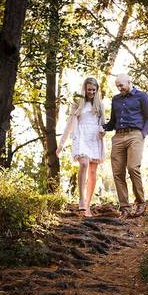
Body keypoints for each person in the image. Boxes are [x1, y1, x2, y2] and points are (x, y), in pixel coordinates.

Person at [103, 73, 148, 216]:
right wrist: (103, 127)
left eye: (121, 85)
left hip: (135, 135)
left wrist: (142, 134)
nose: (119, 88)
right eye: (117, 86)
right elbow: (113, 122)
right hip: (118, 136)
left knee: (133, 168)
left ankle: (141, 202)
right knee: (118, 173)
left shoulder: (142, 96)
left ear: (129, 82)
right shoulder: (116, 100)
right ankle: (125, 208)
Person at [56, 77, 106, 218]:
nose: (91, 92)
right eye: (89, 89)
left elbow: (103, 123)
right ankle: (81, 200)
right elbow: (69, 124)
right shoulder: (77, 103)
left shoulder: (100, 105)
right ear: (84, 89)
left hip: (95, 137)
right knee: (84, 164)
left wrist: (103, 131)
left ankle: (88, 205)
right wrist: (61, 143)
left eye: (93, 90)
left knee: (92, 172)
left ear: (97, 90)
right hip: (82, 136)